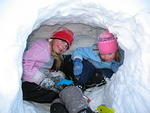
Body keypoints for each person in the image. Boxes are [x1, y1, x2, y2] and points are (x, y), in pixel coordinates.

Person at [22, 28, 94, 113]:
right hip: (29, 85)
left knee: (61, 94)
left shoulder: (52, 54)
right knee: (65, 92)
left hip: (34, 85)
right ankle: (81, 110)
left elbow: (43, 69)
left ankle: (59, 109)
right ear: (54, 38)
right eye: (63, 41)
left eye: (66, 46)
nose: (63, 47)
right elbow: (24, 64)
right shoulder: (42, 46)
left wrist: (58, 79)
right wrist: (41, 79)